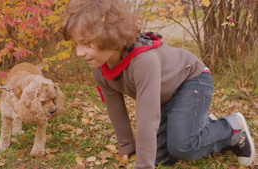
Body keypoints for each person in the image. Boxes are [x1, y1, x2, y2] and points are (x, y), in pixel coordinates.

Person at [60, 0, 255, 168]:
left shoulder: (144, 61)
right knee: (159, 157)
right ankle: (199, 125)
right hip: (165, 95)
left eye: (86, 44)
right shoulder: (100, 69)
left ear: (110, 36)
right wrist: (127, 145)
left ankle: (231, 128)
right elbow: (115, 108)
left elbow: (148, 116)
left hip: (191, 80)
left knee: (182, 147)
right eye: (77, 44)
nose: (79, 52)